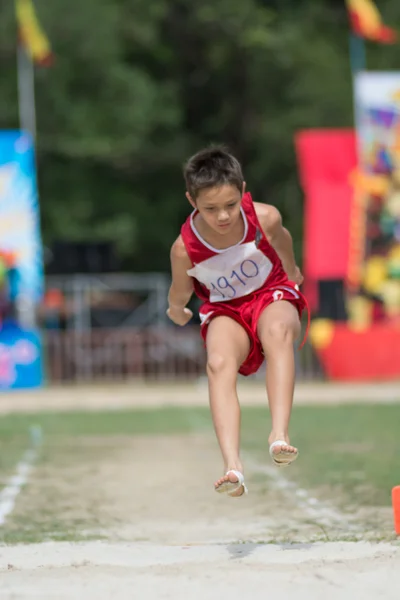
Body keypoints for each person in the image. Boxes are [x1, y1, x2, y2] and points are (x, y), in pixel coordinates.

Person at [167, 146, 308, 497]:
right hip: (226, 310)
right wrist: (176, 310)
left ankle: (279, 434)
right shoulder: (185, 248)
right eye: (210, 209)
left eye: (231, 205)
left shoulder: (265, 217)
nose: (223, 217)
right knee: (217, 363)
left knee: (277, 332)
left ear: (243, 191)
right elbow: (180, 291)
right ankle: (232, 466)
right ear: (191, 200)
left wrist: (292, 271)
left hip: (271, 294)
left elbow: (283, 240)